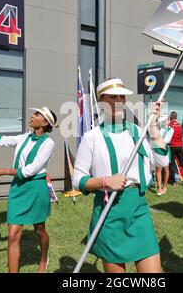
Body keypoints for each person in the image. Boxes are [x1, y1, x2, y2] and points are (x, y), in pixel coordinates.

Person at [72, 78, 169, 273]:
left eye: (122, 97)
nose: (119, 101)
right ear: (100, 102)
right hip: (109, 212)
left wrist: (153, 128)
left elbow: (162, 161)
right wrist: (106, 181)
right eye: (112, 96)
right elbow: (78, 181)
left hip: (138, 209)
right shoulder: (92, 137)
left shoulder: (137, 132)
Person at [0, 103, 57, 273]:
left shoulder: (49, 144)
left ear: (45, 123)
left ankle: (43, 259)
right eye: (34, 114)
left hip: (36, 188)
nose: (32, 116)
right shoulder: (23, 137)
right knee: (13, 234)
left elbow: (31, 170)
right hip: (18, 189)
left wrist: (3, 171)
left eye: (37, 114)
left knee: (39, 230)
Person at [155, 114, 174, 196]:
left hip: (165, 149)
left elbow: (166, 140)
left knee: (166, 169)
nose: (164, 121)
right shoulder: (158, 128)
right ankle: (159, 188)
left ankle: (165, 186)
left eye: (165, 120)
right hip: (157, 148)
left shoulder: (171, 129)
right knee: (158, 169)